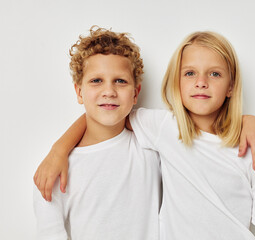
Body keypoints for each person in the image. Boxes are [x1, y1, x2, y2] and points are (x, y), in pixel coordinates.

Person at [33, 30, 255, 239]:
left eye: (214, 74)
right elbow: (104, 115)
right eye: (190, 73)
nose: (108, 91)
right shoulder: (164, 130)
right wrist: (59, 149)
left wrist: (250, 120)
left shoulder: (157, 138)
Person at [33, 26, 161, 240]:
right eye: (96, 81)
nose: (109, 91)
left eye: (120, 81)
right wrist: (59, 150)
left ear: (136, 93)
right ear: (79, 91)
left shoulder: (151, 147)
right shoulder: (54, 171)